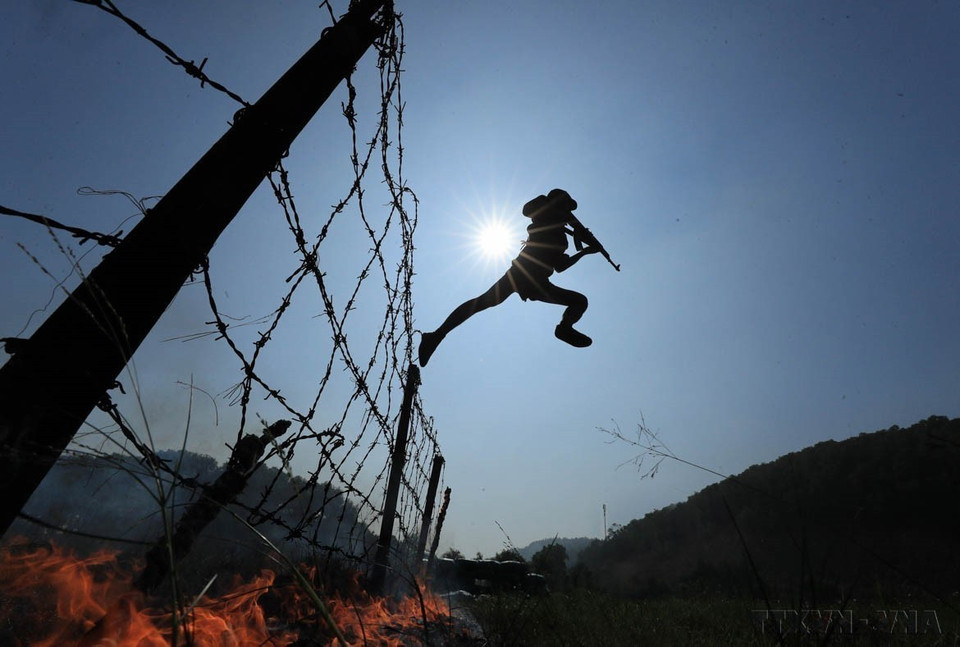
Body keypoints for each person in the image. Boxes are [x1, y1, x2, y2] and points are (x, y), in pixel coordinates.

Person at [418, 188, 602, 368]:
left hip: (536, 282)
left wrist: (585, 251)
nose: (568, 213)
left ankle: (565, 328)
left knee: (579, 301)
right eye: (565, 208)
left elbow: (560, 266)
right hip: (521, 275)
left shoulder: (561, 237)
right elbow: (528, 210)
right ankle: (436, 336)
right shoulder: (543, 219)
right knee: (480, 303)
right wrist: (566, 222)